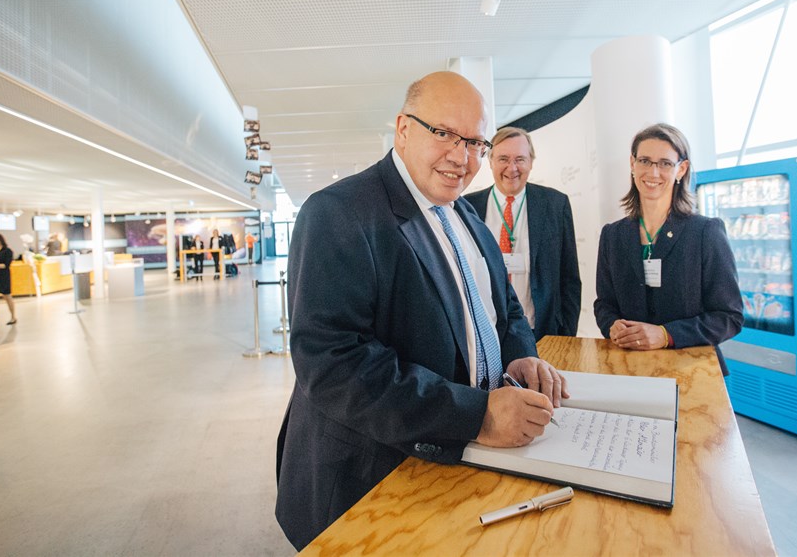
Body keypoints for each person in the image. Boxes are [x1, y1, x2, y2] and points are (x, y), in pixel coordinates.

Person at [275, 71, 568, 551]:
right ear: (403, 129)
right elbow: (334, 367)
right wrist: (479, 416)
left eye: (475, 141)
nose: (463, 157)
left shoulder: (466, 214)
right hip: (369, 484)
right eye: (445, 133)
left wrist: (518, 355)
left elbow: (505, 306)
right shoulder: (338, 213)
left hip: (451, 476)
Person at [593, 123, 743, 371]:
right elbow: (604, 304)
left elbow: (729, 316)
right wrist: (612, 325)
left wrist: (665, 335)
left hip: (693, 371)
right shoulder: (612, 235)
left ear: (681, 169)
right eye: (645, 161)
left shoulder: (706, 232)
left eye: (665, 163)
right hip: (629, 368)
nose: (653, 172)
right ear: (632, 164)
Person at [464, 127, 581, 340]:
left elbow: (569, 277)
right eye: (503, 159)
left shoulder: (555, 204)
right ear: (490, 162)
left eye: (520, 159)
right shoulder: (467, 207)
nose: (512, 168)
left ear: (531, 162)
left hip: (541, 332)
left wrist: (566, 337)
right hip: (486, 333)